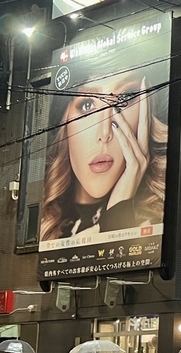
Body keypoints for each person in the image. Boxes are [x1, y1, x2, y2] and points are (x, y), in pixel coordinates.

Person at [39, 74, 166, 242]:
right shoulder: (46, 228)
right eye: (87, 105)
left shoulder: (156, 225)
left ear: (146, 113)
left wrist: (119, 208)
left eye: (124, 99)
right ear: (65, 122)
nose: (104, 133)